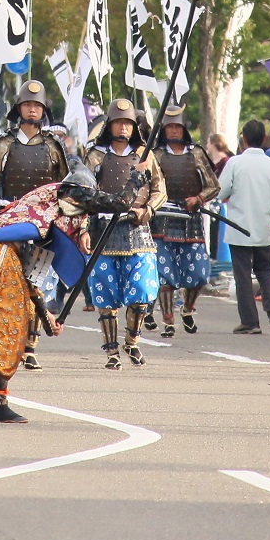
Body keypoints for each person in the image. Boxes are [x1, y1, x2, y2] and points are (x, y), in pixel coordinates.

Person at [0, 172, 104, 423]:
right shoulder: (53, 223)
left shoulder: (44, 205)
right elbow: (31, 280)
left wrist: (47, 318)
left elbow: (28, 288)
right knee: (5, 330)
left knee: (11, 325)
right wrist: (48, 319)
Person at [0, 79, 79, 370]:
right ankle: (6, 339)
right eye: (27, 104)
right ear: (19, 108)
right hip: (9, 221)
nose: (32, 110)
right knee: (6, 284)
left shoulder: (53, 146)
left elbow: (66, 188)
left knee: (39, 284)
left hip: (44, 225)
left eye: (37, 105)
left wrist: (71, 225)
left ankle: (31, 345)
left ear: (44, 109)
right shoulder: (4, 145)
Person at [85, 99, 166, 368]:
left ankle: (132, 342)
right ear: (109, 125)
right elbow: (83, 194)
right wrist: (83, 228)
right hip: (104, 231)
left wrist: (149, 210)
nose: (123, 127)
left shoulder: (145, 155)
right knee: (106, 294)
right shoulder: (95, 155)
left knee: (142, 290)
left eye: (128, 123)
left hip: (137, 230)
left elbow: (159, 189)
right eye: (119, 122)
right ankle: (111, 351)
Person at [219, 114, 270, 336]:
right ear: (263, 139)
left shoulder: (234, 162)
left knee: (242, 275)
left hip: (238, 227)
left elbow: (221, 191)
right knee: (266, 272)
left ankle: (250, 321)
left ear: (243, 139)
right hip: (262, 228)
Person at [150, 105, 219, 338]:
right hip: (161, 221)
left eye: (177, 127)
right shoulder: (155, 155)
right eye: (169, 127)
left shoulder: (197, 153)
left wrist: (199, 198)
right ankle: (168, 320)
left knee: (199, 273)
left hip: (191, 220)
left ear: (184, 128)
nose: (173, 131)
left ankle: (188, 309)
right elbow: (145, 185)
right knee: (164, 274)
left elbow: (214, 185)